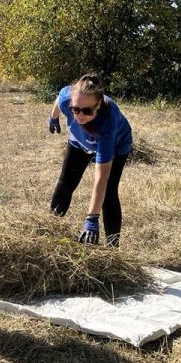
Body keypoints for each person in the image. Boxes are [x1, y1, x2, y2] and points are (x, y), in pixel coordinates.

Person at [47, 74, 132, 246]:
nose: (79, 115)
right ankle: (49, 232)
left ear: (98, 105)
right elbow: (59, 100)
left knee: (108, 193)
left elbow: (101, 179)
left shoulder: (107, 123)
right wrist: (53, 117)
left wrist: (92, 218)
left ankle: (112, 249)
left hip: (117, 144)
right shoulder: (67, 98)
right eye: (75, 109)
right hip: (80, 140)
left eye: (87, 111)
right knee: (66, 182)